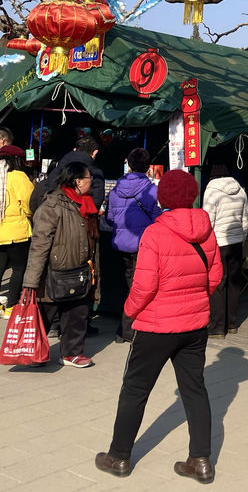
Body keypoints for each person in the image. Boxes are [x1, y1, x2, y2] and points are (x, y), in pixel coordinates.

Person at [95, 169, 222, 484]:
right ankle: (201, 459)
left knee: (136, 389)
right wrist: (194, 298)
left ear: (162, 197)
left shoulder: (155, 232)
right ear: (192, 195)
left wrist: (129, 311)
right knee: (195, 389)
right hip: (194, 325)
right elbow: (215, 275)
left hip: (156, 325)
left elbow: (143, 285)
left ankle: (119, 456)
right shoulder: (207, 230)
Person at [22, 161, 98, 368]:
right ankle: (33, 353)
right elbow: (39, 245)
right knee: (45, 314)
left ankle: (71, 353)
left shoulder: (86, 204)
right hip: (53, 273)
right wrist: (31, 281)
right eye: (88, 178)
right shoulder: (52, 206)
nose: (91, 181)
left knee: (78, 314)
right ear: (78, 182)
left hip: (79, 270)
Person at [105, 148, 161, 343]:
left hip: (121, 246)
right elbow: (158, 220)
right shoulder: (153, 191)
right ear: (148, 167)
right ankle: (128, 330)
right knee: (140, 288)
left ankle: (125, 330)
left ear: (129, 165)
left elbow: (110, 218)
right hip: (144, 246)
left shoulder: (115, 190)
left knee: (128, 285)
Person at [202, 164, 248, 338]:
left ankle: (216, 328)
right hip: (236, 243)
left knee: (218, 284)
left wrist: (208, 243)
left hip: (218, 243)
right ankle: (231, 324)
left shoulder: (211, 191)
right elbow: (245, 219)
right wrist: (242, 238)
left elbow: (208, 221)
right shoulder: (240, 191)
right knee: (234, 283)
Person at [30, 135, 105, 213]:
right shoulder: (95, 173)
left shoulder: (58, 168)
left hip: (51, 216)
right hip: (79, 220)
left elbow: (39, 198)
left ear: (75, 149)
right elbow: (96, 203)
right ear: (95, 152)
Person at [0, 145, 34, 318]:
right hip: (16, 232)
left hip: (0, 231)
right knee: (19, 269)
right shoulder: (18, 177)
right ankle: (11, 306)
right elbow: (29, 204)